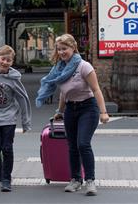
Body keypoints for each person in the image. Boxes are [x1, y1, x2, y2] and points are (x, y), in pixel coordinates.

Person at [36, 34, 109, 196]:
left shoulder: (84, 66)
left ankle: (90, 181)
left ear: (73, 48)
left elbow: (96, 89)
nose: (62, 52)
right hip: (71, 109)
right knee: (72, 147)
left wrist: (103, 112)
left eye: (65, 49)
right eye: (59, 49)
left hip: (88, 108)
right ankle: (76, 180)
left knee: (83, 144)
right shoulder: (59, 69)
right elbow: (63, 94)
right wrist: (59, 112)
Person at [0, 45, 32, 192]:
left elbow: (23, 99)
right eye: (3, 59)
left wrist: (26, 122)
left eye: (8, 60)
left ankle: (6, 179)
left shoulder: (14, 79)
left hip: (8, 118)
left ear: (12, 62)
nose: (5, 62)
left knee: (7, 148)